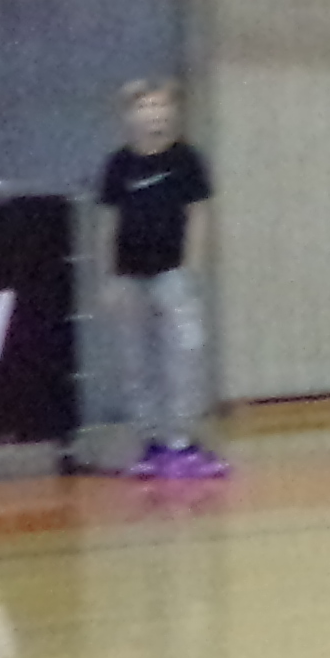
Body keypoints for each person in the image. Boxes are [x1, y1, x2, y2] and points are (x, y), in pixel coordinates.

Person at [95, 80, 222, 483]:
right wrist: (109, 276)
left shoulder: (186, 160)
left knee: (183, 356)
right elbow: (108, 223)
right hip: (130, 278)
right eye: (145, 107)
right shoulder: (118, 165)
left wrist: (191, 269)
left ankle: (181, 440)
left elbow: (198, 215)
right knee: (137, 360)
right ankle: (149, 441)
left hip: (173, 276)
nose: (154, 114)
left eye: (161, 106)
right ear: (130, 116)